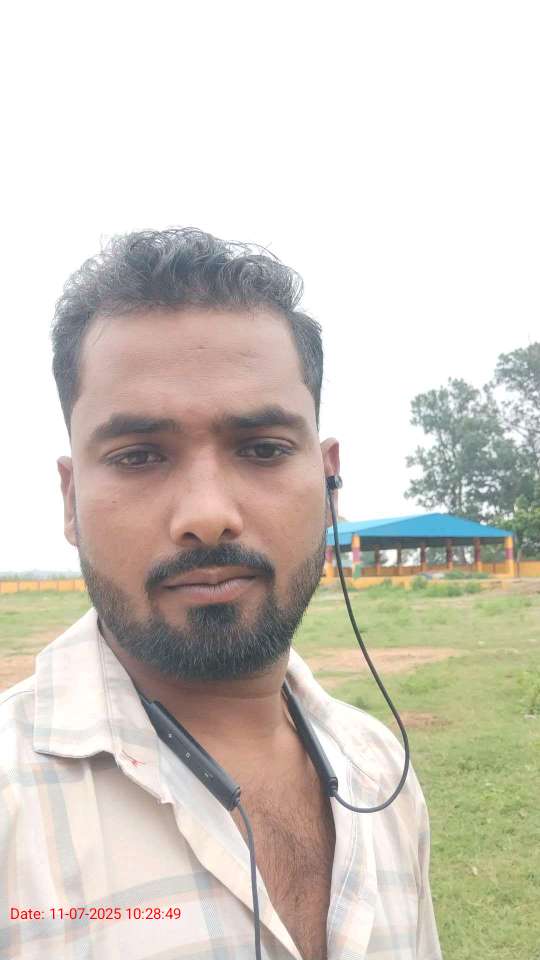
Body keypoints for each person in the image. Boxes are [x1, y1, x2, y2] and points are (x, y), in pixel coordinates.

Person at [0, 228, 442, 960]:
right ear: (71, 500)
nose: (207, 515)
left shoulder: (379, 767)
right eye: (139, 455)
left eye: (263, 449)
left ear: (329, 480)